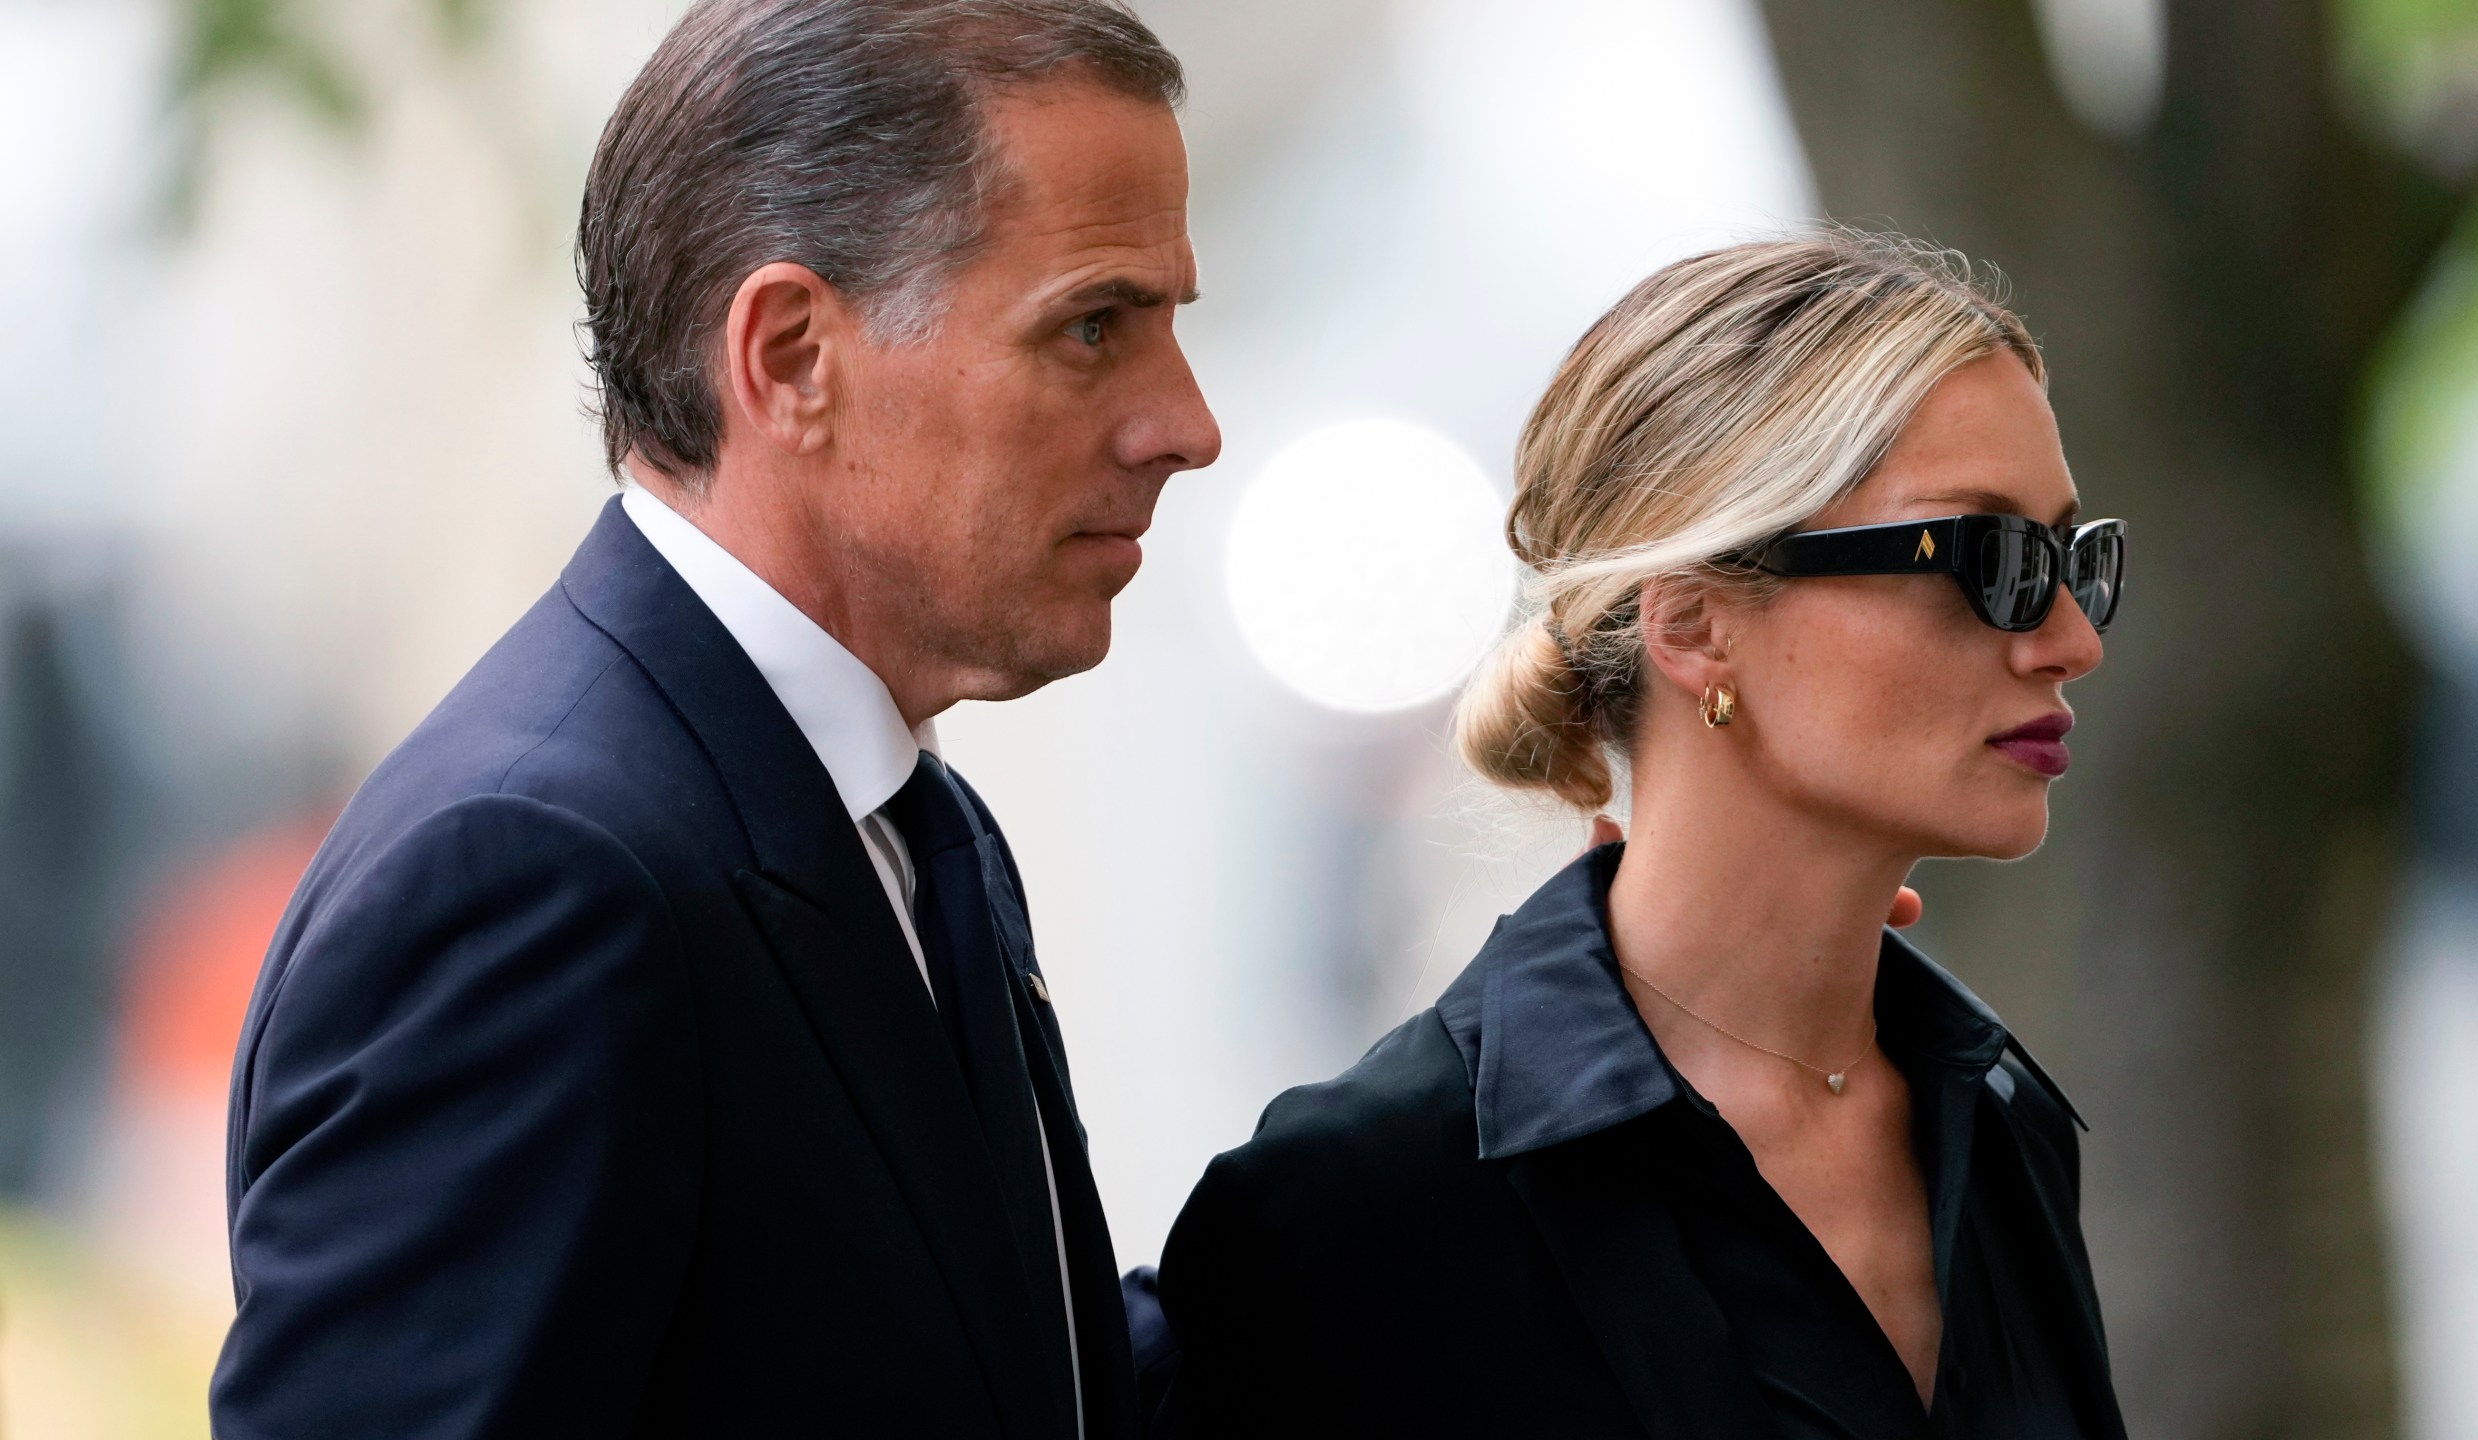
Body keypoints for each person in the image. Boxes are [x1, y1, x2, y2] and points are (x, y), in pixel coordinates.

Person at [212, 2, 1217, 1435]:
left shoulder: (907, 825)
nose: (1185, 423)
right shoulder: (535, 881)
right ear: (793, 355)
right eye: (1096, 326)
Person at [1150, 233, 2132, 1439]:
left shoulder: (2000, 1120)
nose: (2069, 638)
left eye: (2073, 560)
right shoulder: (1358, 1200)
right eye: (1989, 558)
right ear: (1695, 624)